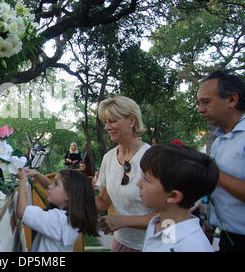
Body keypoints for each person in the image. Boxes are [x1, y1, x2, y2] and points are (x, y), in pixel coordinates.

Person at [95, 95, 156, 252]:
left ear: (131, 120)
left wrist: (122, 221)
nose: (107, 127)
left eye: (112, 121)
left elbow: (167, 215)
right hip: (120, 243)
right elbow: (103, 201)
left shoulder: (153, 157)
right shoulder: (108, 158)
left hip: (151, 245)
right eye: (105, 122)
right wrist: (74, 201)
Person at [137, 144, 219, 252]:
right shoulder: (157, 224)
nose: (138, 184)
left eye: (146, 179)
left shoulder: (194, 246)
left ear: (173, 196)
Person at [197, 70, 245, 252]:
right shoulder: (219, 141)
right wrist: (209, 225)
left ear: (232, 99)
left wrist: (212, 172)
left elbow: (217, 177)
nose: (200, 109)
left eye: (206, 102)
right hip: (227, 237)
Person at [16, 168, 99, 252]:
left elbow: (22, 212)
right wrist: (36, 174)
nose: (50, 186)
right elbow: (48, 186)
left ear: (69, 196)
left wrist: (22, 180)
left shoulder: (58, 220)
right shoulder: (70, 218)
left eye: (55, 184)